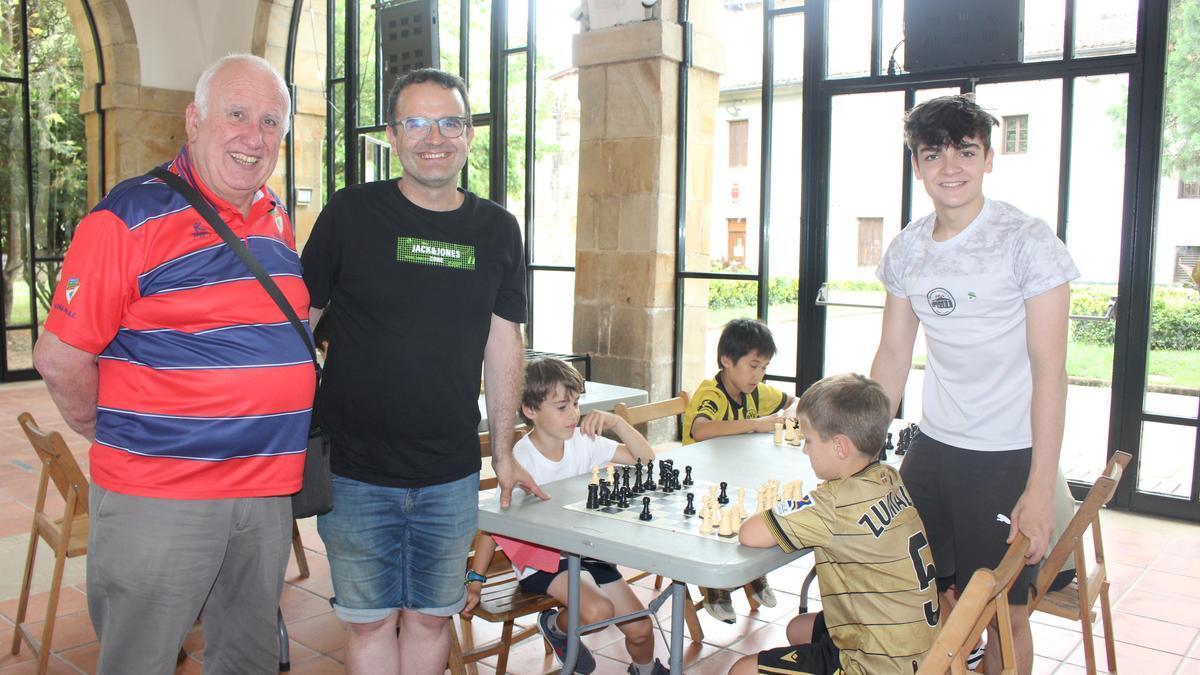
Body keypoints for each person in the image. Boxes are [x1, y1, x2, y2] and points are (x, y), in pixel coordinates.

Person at [32, 54, 313, 673]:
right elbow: (58, 359)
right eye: (236, 114)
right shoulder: (130, 215)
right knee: (144, 660)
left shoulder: (275, 217)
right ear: (194, 120)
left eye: (271, 121)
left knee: (249, 656)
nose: (254, 136)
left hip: (265, 494)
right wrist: (107, 428)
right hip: (164, 495)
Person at [300, 67, 547, 673]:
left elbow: (503, 339)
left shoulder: (497, 230)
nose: (432, 136)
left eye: (449, 122)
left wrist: (505, 449)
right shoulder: (350, 213)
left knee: (434, 617)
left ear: (468, 135)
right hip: (355, 469)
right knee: (371, 623)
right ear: (392, 133)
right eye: (415, 121)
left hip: (448, 472)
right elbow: (299, 321)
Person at [869, 94, 1079, 674]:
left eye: (966, 151)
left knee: (1004, 615)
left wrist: (1039, 490)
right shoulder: (908, 248)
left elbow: (1050, 373)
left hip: (1008, 456)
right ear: (917, 166)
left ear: (989, 158)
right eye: (933, 155)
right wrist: (861, 454)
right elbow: (891, 356)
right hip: (933, 450)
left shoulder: (1028, 242)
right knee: (931, 604)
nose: (950, 167)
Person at [463, 358, 668, 674]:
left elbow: (646, 461)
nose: (574, 413)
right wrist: (475, 579)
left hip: (586, 549)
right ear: (530, 410)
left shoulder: (583, 440)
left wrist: (618, 423)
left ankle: (645, 669)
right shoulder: (521, 459)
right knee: (599, 611)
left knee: (641, 630)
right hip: (542, 557)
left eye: (576, 403)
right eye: (562, 407)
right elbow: (493, 524)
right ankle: (556, 627)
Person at [730, 373, 939, 675]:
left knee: (742, 670)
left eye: (809, 440)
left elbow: (750, 533)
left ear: (840, 447)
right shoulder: (890, 477)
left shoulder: (833, 504)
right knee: (799, 628)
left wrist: (795, 505)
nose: (805, 450)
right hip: (919, 649)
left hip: (875, 665)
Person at [681, 318, 793, 621]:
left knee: (755, 516)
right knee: (716, 524)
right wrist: (756, 424)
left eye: (764, 367)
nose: (759, 375)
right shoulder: (711, 393)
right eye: (753, 365)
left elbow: (794, 401)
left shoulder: (758, 391)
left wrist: (790, 415)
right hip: (701, 482)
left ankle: (754, 575)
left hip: (739, 475)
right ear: (726, 360)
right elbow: (701, 430)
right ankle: (714, 588)